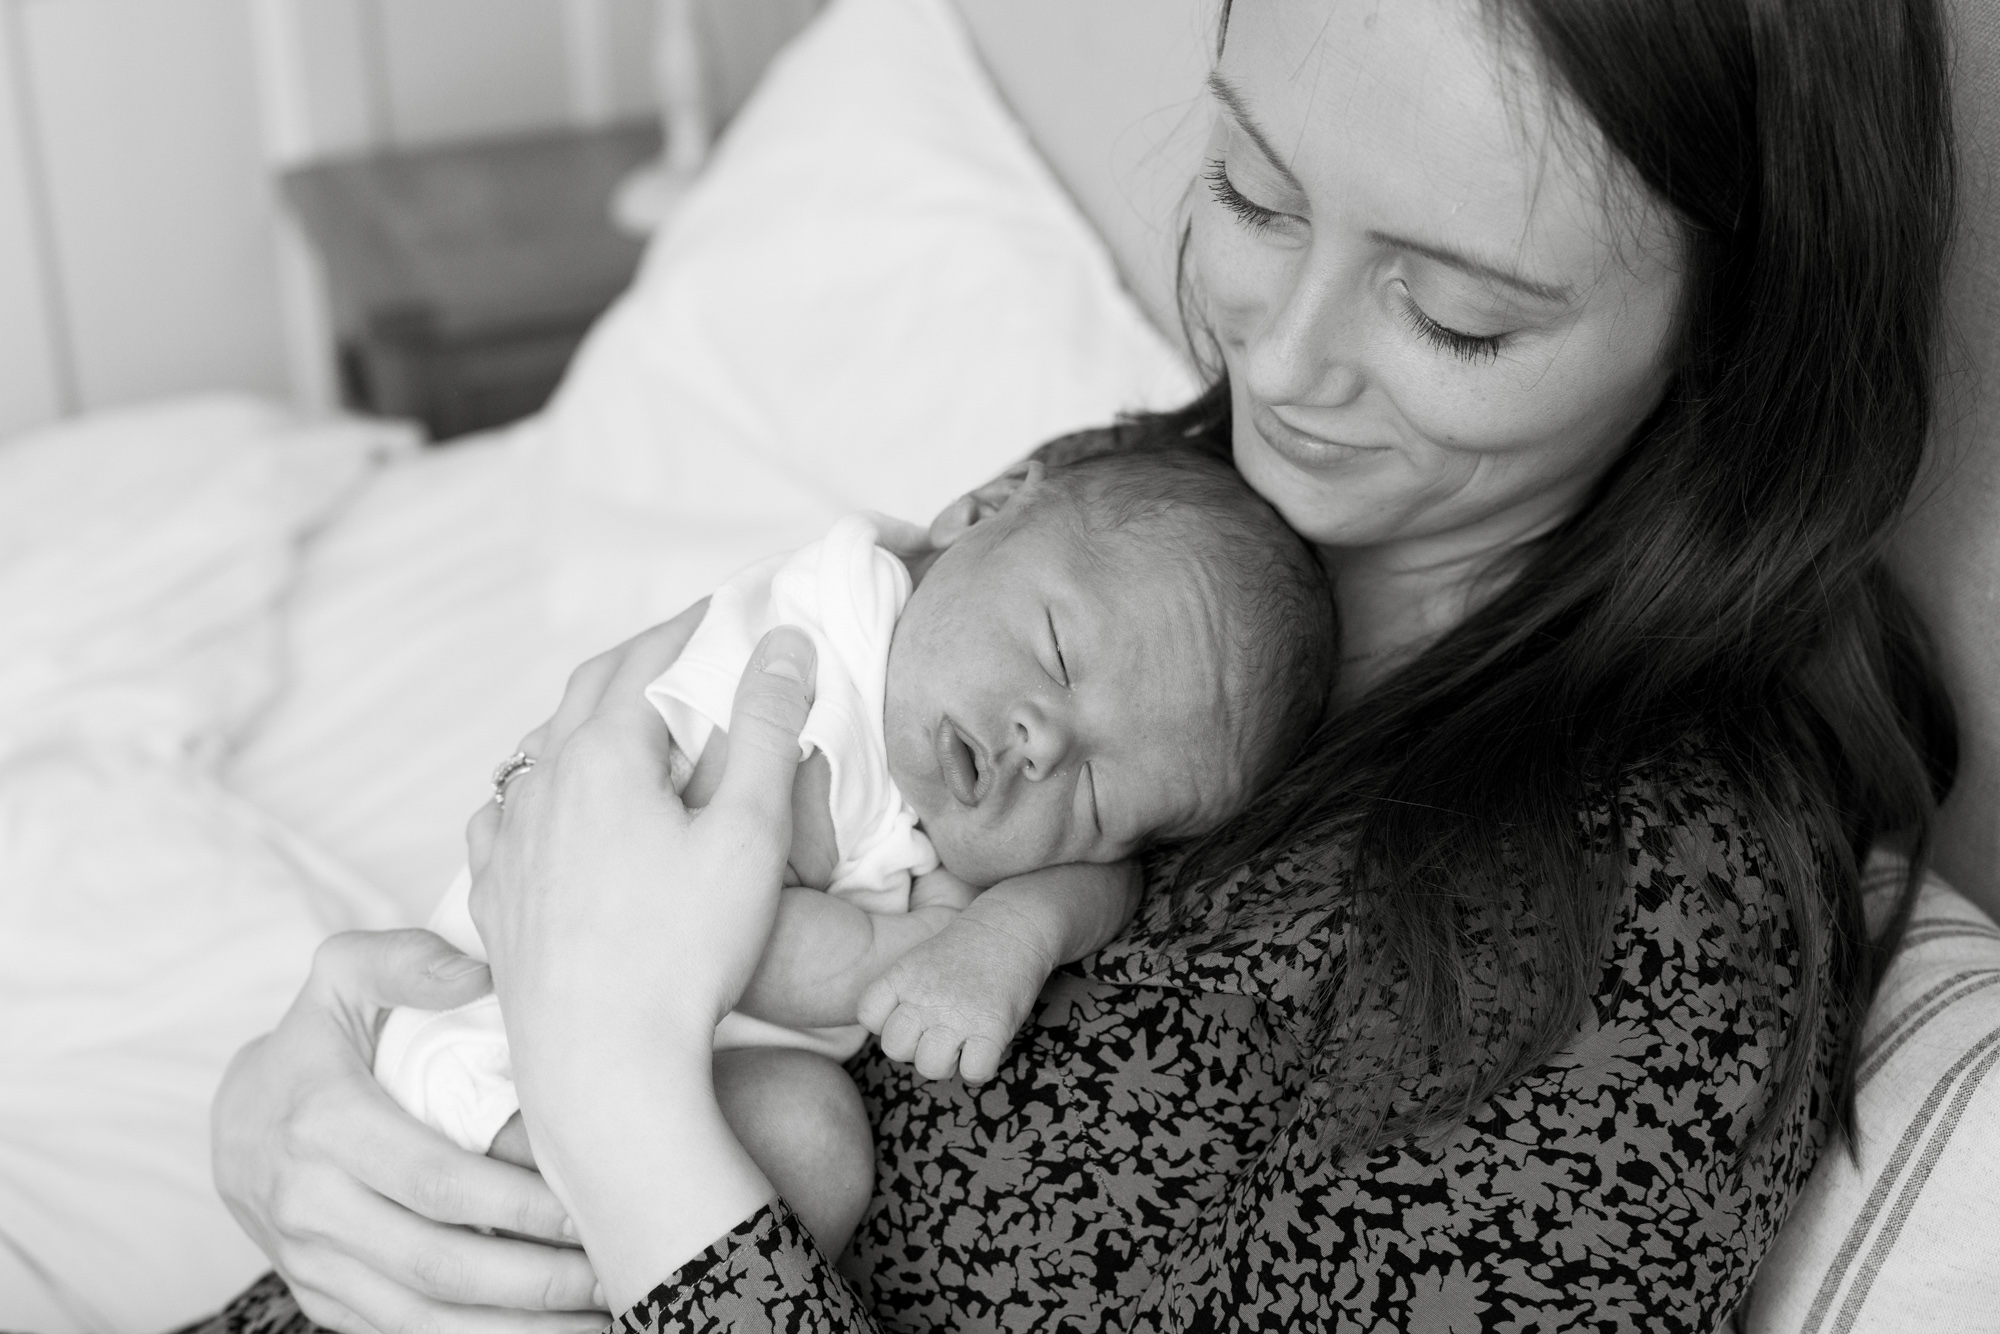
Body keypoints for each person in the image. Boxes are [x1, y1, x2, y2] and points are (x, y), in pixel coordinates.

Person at [195, 0, 1958, 1328]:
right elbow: (599, 819)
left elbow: (626, 1024)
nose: (1281, 360)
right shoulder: (1114, 497)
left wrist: (612, 1096)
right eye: (1255, 194)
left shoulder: (1649, 929)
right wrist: (294, 1117)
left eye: (1456, 316)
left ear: (1736, 327)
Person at [369, 449, 1336, 1257]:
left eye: (1095, 790)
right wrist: (915, 948)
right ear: (973, 515)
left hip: (635, 1098)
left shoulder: (951, 746)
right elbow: (703, 933)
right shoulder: (812, 665)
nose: (1045, 744)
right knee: (815, 1143)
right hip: (494, 1064)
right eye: (1057, 655)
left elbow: (1109, 876)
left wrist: (1010, 933)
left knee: (813, 1145)